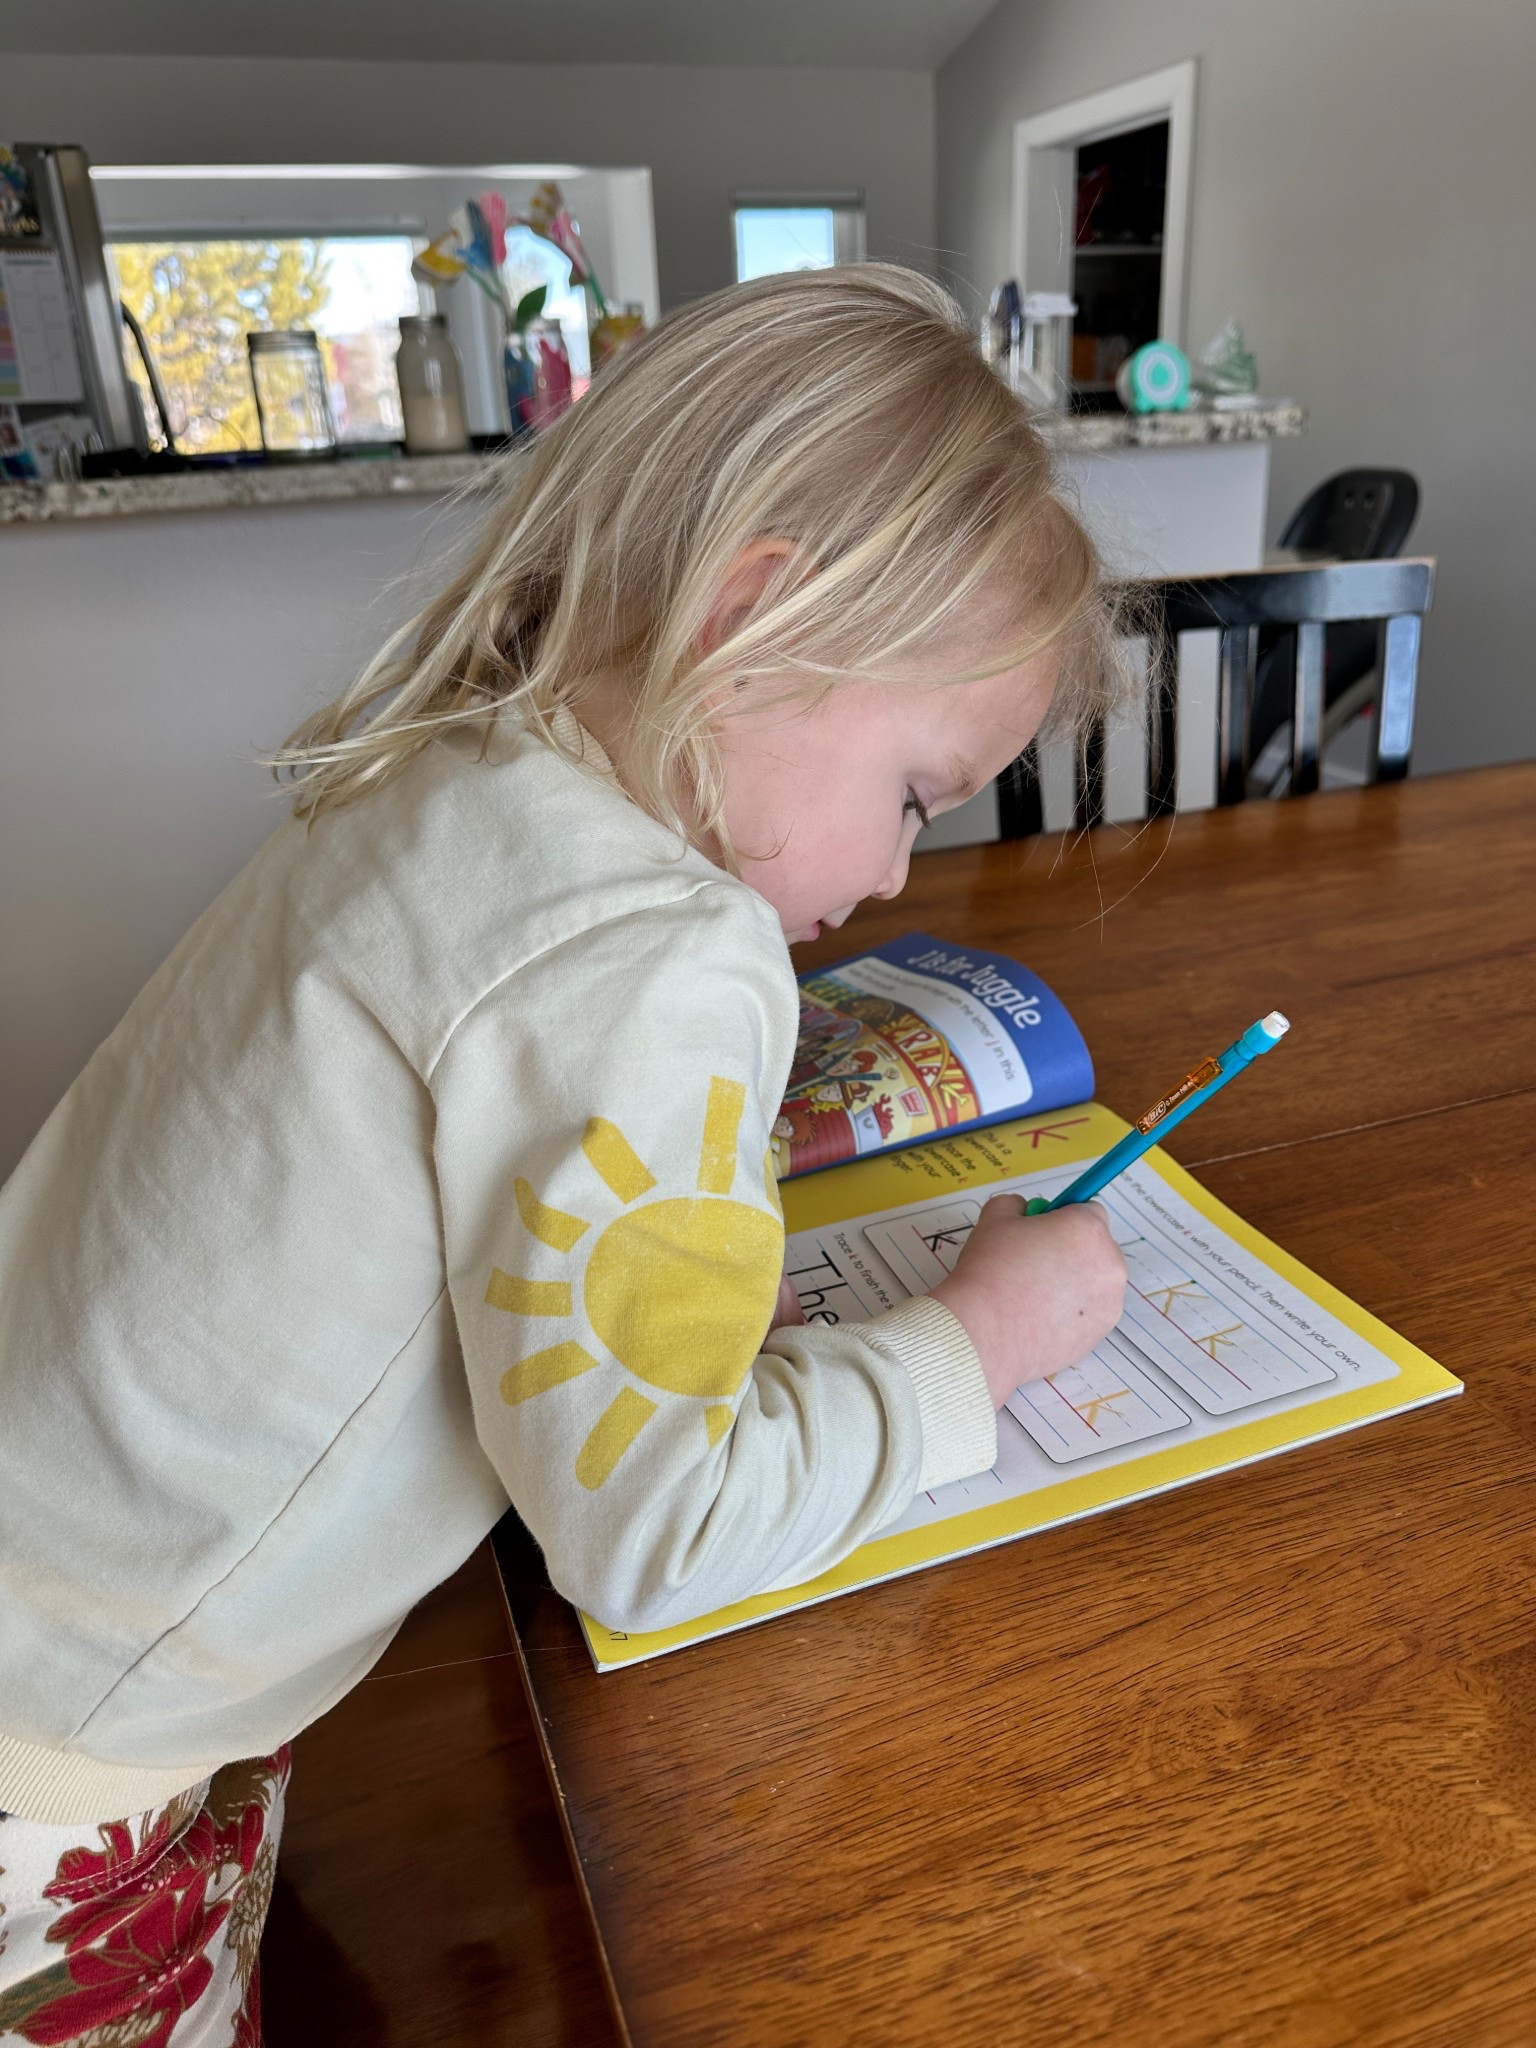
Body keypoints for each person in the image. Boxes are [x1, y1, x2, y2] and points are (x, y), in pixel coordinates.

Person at [0, 265, 1128, 2042]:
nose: (901, 874)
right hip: (76, 1757)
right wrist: (974, 1346)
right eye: (915, 793)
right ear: (749, 618)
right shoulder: (664, 953)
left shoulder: (465, 760)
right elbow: (655, 1531)